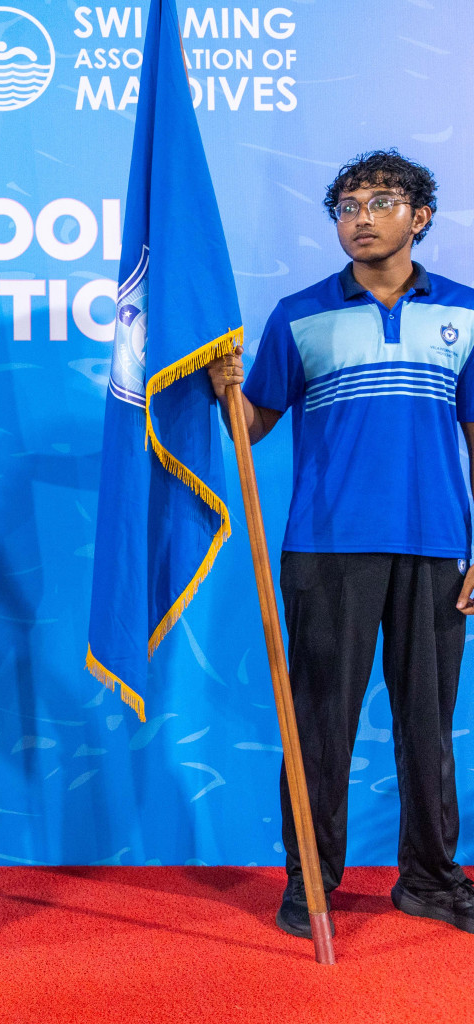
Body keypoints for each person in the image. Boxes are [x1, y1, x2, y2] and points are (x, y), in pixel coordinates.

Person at [208, 149, 474, 938]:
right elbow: (251, 426)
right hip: (325, 550)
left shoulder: (465, 312)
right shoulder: (298, 315)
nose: (361, 217)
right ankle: (311, 884)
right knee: (319, 725)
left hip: (436, 548)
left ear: (419, 217)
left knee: (427, 726)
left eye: (381, 202)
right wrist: (214, 384)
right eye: (348, 206)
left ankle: (428, 880)